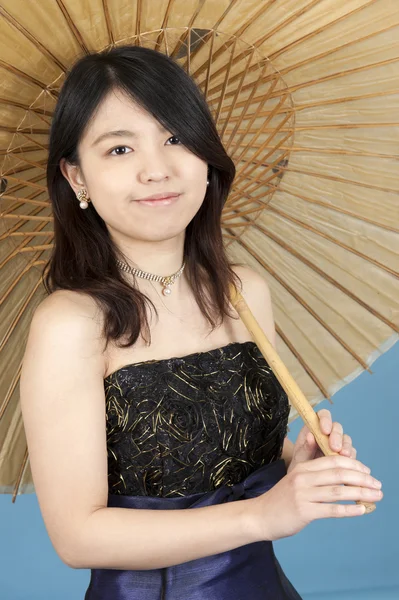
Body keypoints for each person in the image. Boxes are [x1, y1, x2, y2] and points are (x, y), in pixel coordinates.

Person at [19, 45, 383, 600]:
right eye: (119, 148)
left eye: (175, 138)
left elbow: (219, 455)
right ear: (76, 177)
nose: (157, 169)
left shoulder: (243, 292)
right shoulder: (71, 325)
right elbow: (77, 536)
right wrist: (265, 515)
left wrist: (295, 462)